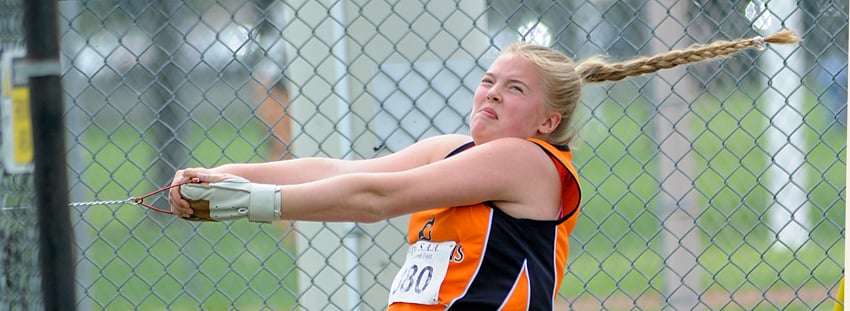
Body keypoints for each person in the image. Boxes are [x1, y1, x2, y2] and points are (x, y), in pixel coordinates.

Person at [168, 30, 799, 310]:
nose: (491, 93)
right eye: (488, 81)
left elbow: (375, 197)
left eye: (515, 89)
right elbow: (339, 166)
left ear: (547, 121)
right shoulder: (456, 148)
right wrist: (225, 171)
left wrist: (245, 203)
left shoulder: (527, 162)